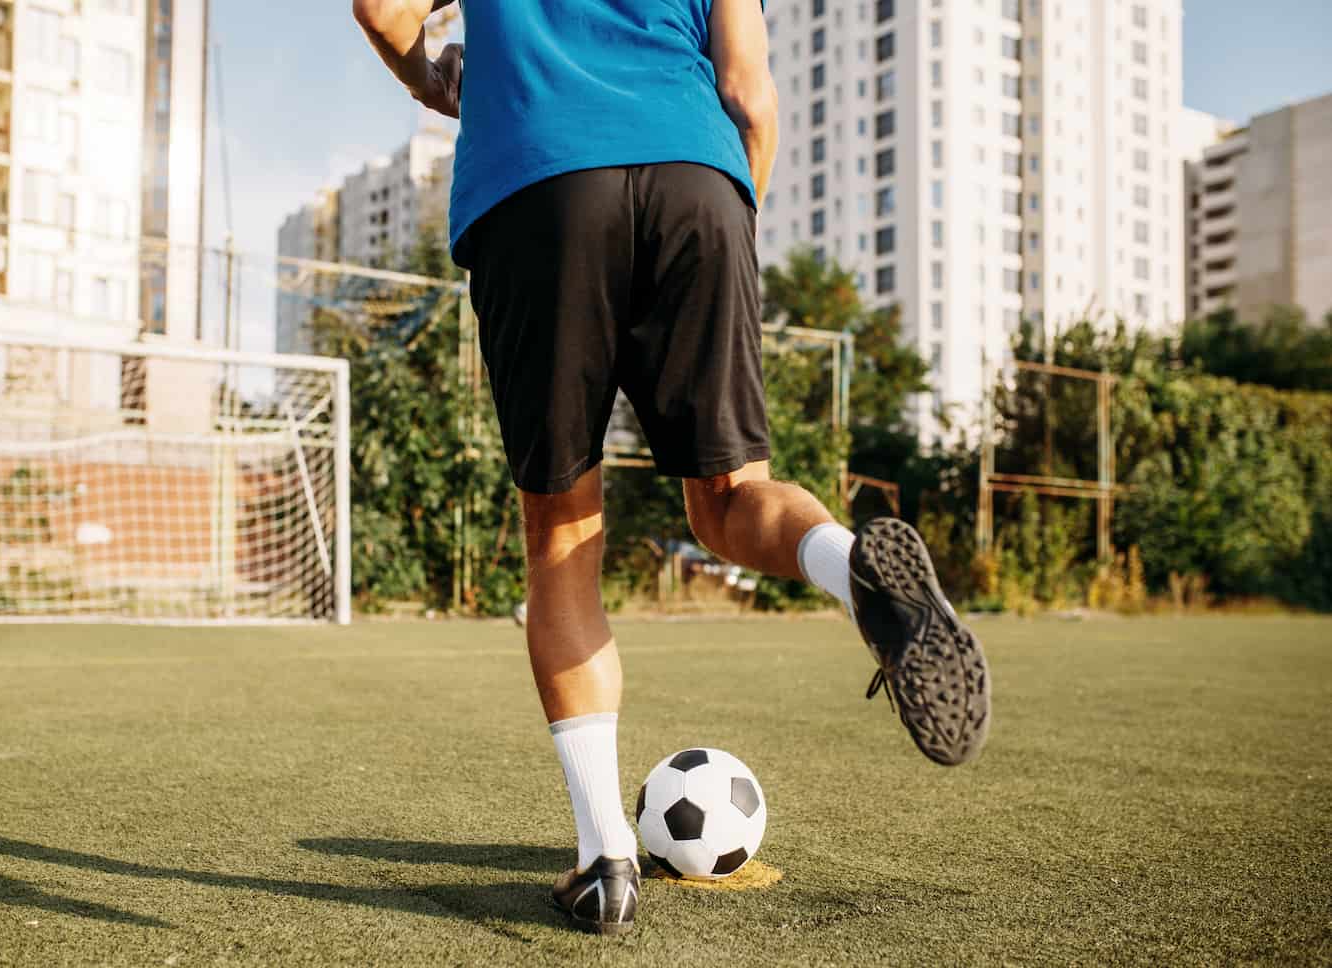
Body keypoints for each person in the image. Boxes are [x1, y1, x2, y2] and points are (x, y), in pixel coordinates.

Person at [353, 0, 990, 934]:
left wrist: (434, 76)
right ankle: (855, 574)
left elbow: (382, 8)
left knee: (563, 532)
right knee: (733, 497)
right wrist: (732, 212)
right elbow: (749, 91)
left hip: (539, 186)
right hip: (696, 173)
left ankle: (604, 858)